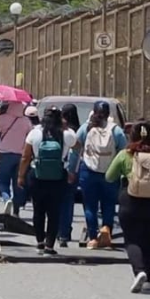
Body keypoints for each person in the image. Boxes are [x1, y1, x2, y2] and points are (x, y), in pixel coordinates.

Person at [106, 120, 150, 292]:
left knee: (131, 240)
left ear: (132, 135)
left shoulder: (125, 155)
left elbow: (109, 176)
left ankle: (139, 271)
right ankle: (148, 280)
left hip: (130, 202)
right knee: (148, 242)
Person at [19, 107, 73, 253]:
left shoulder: (35, 133)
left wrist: (21, 176)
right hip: (58, 176)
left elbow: (25, 157)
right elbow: (78, 146)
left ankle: (40, 242)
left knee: (38, 210)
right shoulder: (66, 134)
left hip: (37, 175)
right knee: (54, 211)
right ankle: (50, 245)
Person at [77, 100, 127, 249]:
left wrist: (72, 170)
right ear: (108, 114)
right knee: (109, 204)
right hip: (110, 173)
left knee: (90, 205)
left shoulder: (85, 128)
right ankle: (106, 231)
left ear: (93, 112)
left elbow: (75, 149)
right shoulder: (116, 131)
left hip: (88, 171)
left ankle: (93, 238)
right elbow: (123, 153)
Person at [0, 102, 33, 217]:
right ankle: (16, 210)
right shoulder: (26, 121)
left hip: (3, 154)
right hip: (20, 155)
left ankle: (6, 199)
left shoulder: (1, 119)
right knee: (18, 183)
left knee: (2, 181)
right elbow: (29, 137)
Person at [56, 104, 82, 246]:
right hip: (73, 171)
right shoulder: (77, 131)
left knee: (56, 202)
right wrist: (73, 171)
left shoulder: (61, 131)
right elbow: (76, 153)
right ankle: (65, 233)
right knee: (67, 202)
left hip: (59, 170)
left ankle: (57, 230)